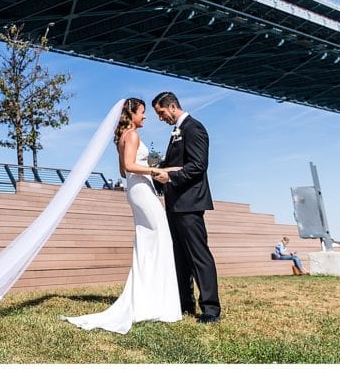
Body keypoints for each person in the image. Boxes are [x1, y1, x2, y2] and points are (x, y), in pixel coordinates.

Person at [62, 98, 181, 334]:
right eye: (142, 112)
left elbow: (122, 170)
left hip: (135, 189)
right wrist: (158, 170)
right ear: (132, 114)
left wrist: (147, 169)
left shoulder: (122, 137)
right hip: (142, 191)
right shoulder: (133, 135)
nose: (145, 116)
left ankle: (149, 300)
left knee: (149, 244)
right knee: (160, 240)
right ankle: (156, 302)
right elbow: (129, 166)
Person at [151, 92, 222, 324]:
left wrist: (169, 177)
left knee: (198, 256)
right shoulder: (176, 132)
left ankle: (210, 309)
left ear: (172, 107)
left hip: (190, 203)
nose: (160, 118)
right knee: (180, 257)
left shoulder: (194, 128)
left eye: (161, 113)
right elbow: (173, 164)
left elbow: (198, 166)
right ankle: (185, 303)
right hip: (175, 203)